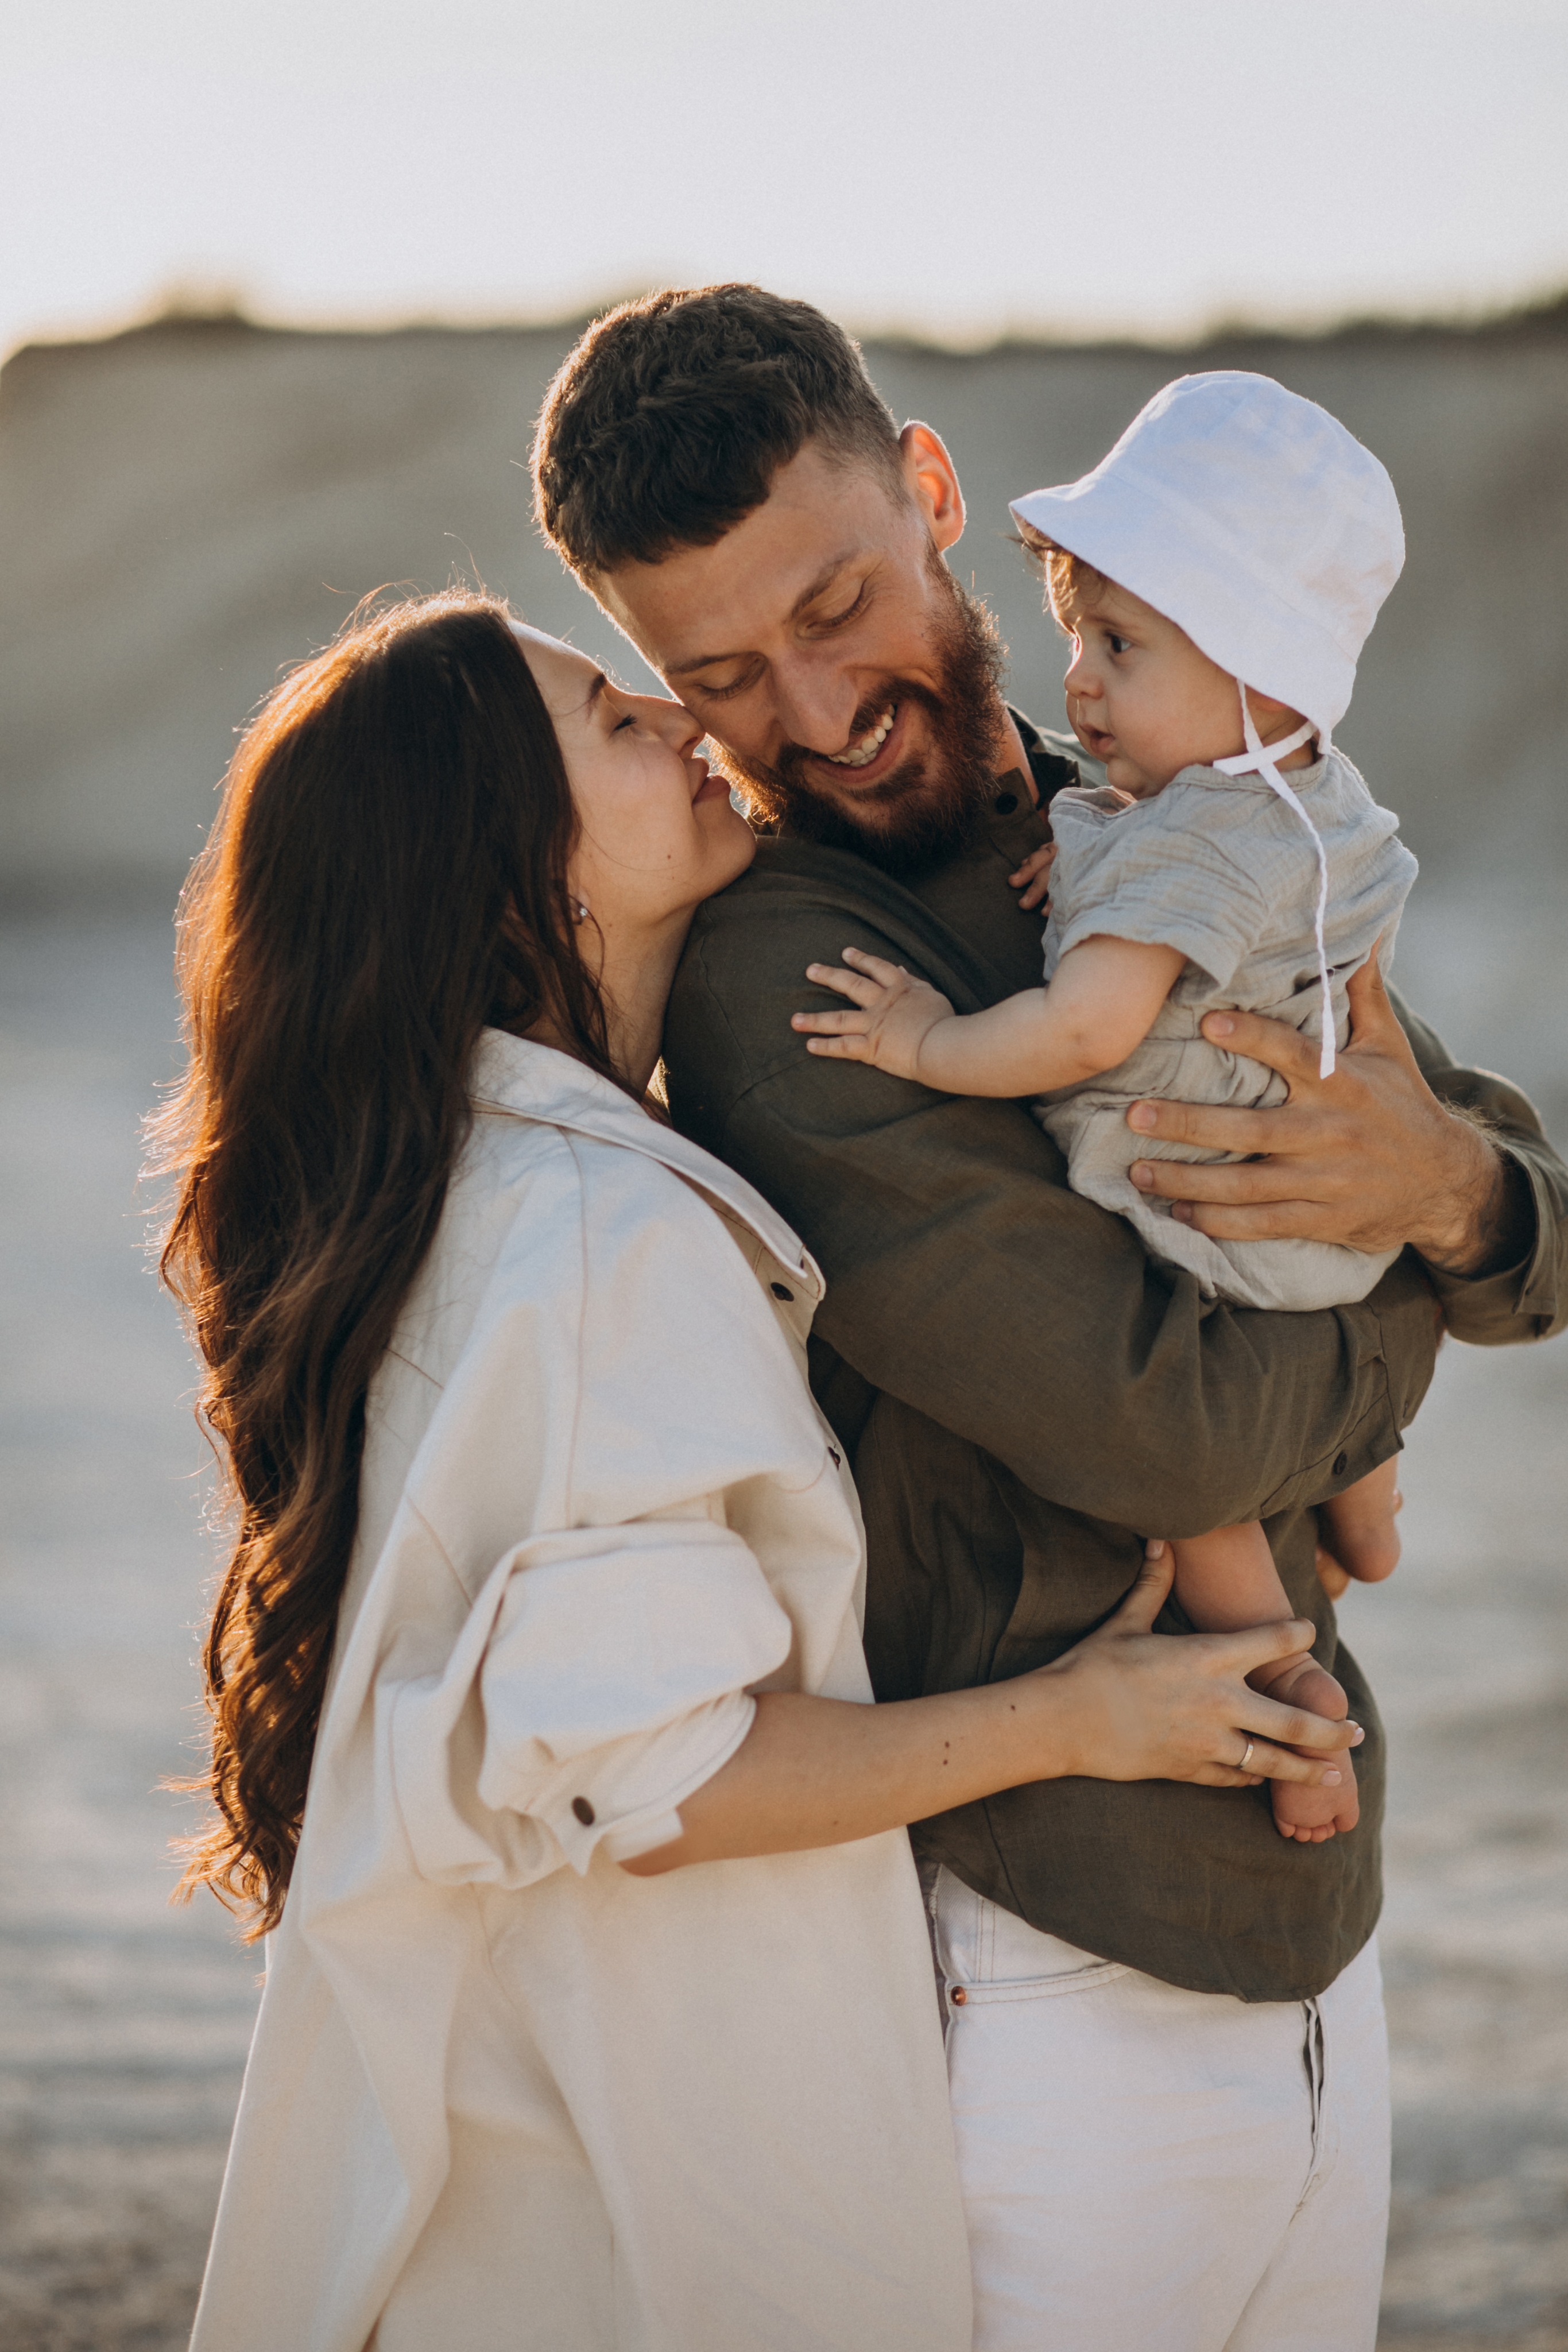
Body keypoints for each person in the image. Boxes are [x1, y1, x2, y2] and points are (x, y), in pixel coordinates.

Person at [532, 285, 1568, 2349]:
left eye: (837, 605)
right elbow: (1165, 1433)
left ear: (929, 493)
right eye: (719, 674)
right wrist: (1411, 1283)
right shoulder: (791, 982)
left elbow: (1511, 1194)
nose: (816, 713)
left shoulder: (1176, 789)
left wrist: (1449, 1191)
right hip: (1040, 1970)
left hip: (1321, 1940)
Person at [152, 591, 1345, 2352]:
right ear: (508, 871)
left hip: (554, 2121)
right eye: (604, 719)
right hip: (618, 2173)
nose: (668, 710)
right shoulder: (586, 1221)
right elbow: (669, 1779)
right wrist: (1083, 1720)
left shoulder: (520, 1171)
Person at [793, 371, 1419, 1847]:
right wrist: (1089, 870)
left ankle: (1297, 1710)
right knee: (1341, 1402)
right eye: (1077, 634)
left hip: (1205, 1218)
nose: (1077, 683)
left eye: (1121, 645)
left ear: (1261, 672)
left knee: (1197, 1511)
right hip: (1342, 1246)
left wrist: (926, 1039)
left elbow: (1082, 1021)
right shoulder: (1298, 795)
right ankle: (1372, 1506)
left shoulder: (1195, 839)